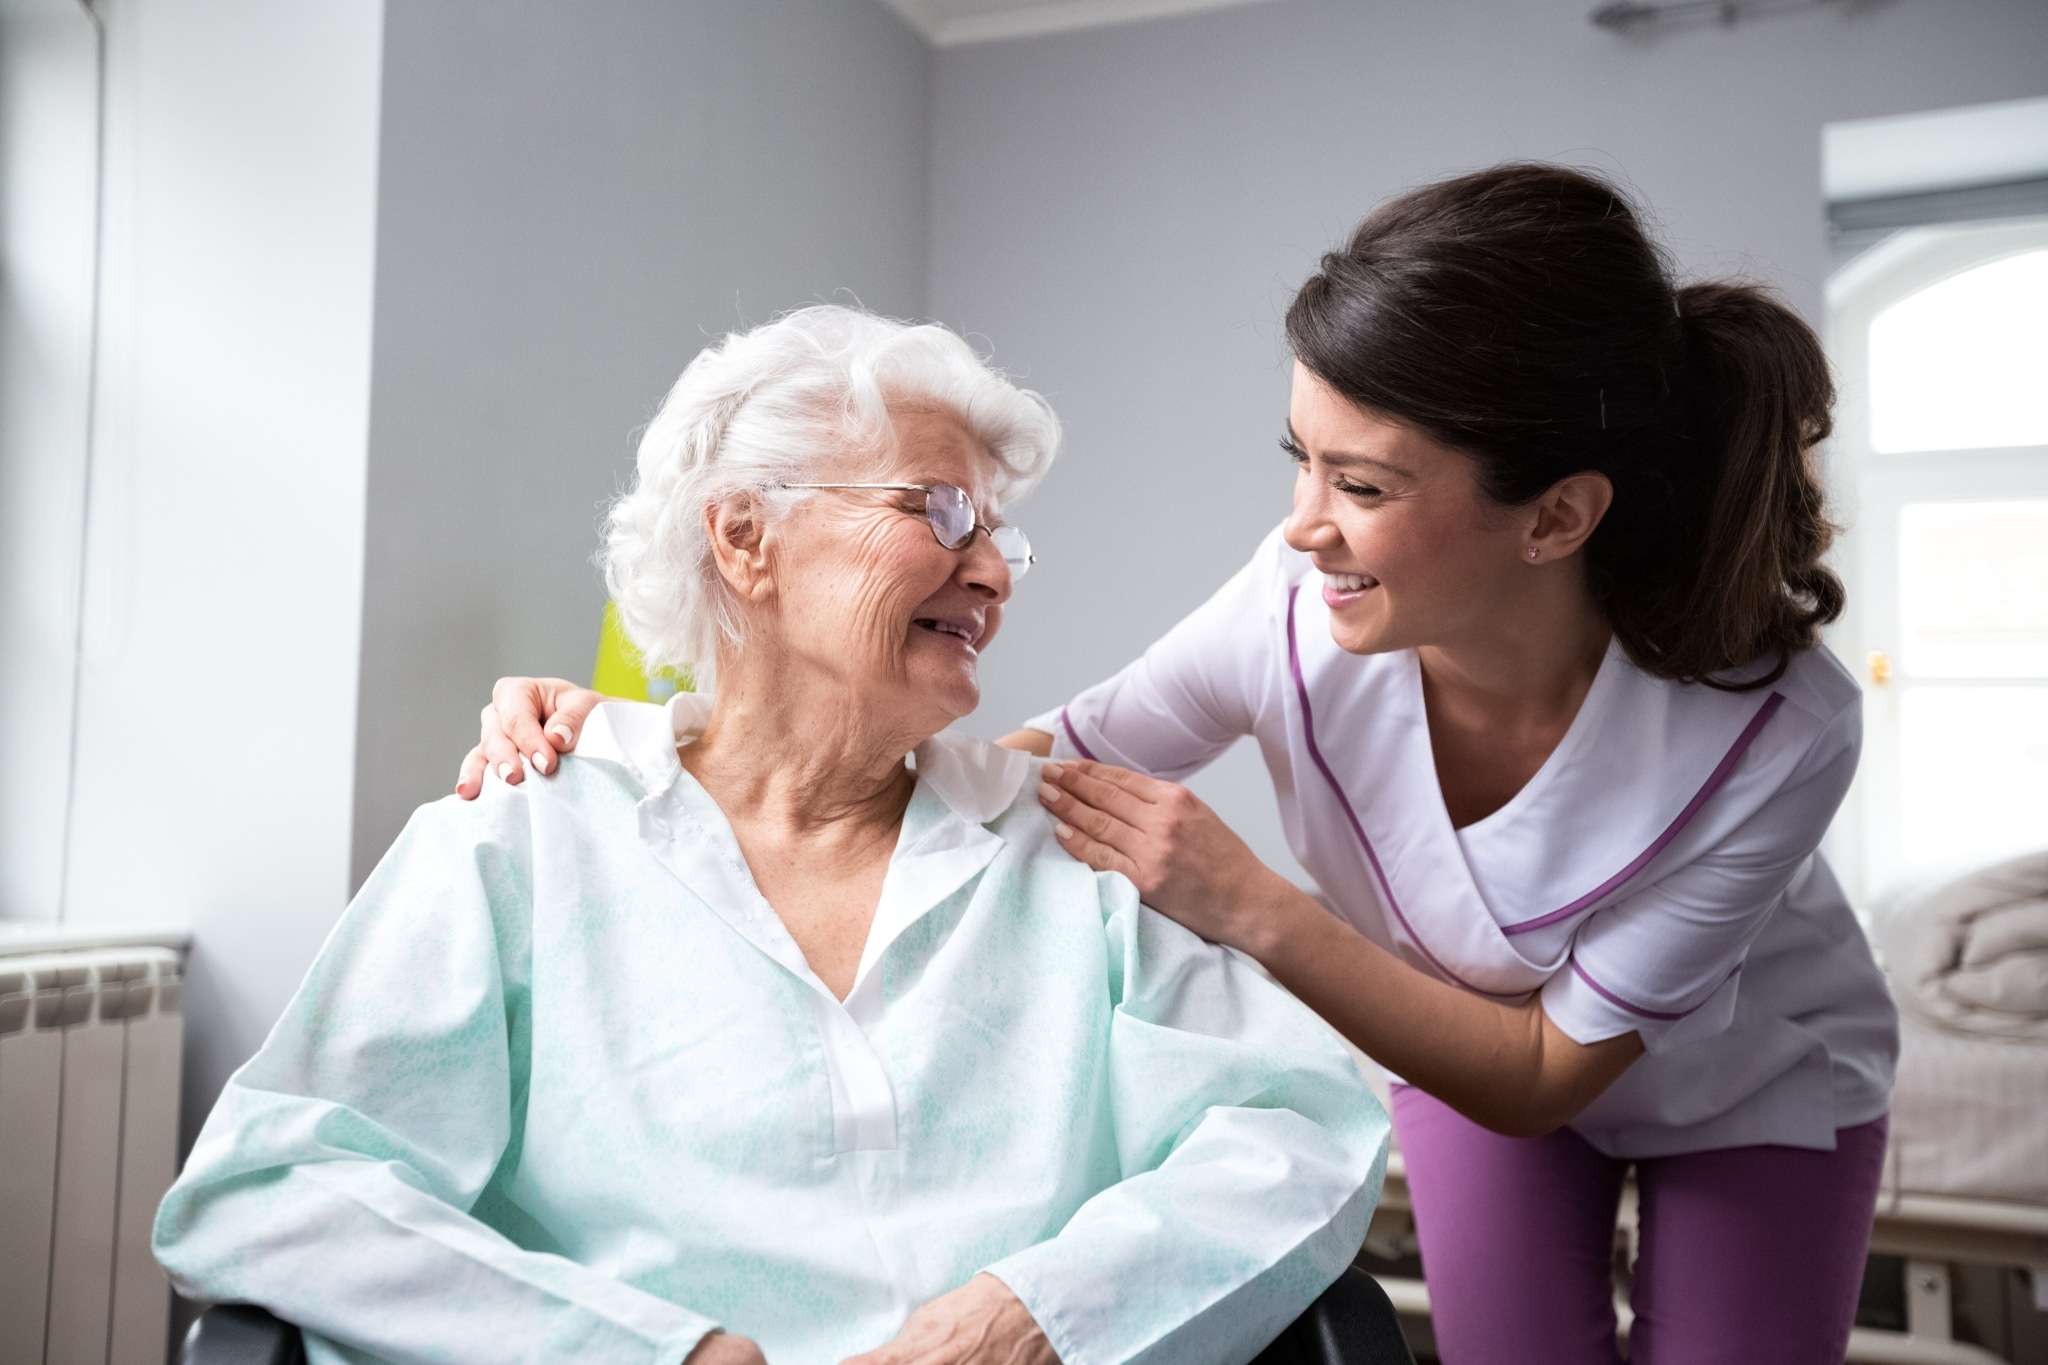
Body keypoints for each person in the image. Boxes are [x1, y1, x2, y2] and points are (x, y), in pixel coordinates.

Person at [473, 166, 1900, 1364]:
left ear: (1553, 519)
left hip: (1742, 1084)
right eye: (1302, 459)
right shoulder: (1290, 611)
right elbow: (1029, 771)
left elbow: (1539, 1073)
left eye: (1364, 486)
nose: (1301, 527)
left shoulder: (1774, 730)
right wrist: (655, 744)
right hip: (1453, 1058)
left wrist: (1250, 901)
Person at [155, 306, 1390, 1365]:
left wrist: (1026, 1322)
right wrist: (653, 1353)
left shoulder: (1072, 851)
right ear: (744, 538)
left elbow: (1300, 1134)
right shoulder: (518, 842)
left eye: (999, 536)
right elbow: (277, 1187)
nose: (995, 574)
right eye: (941, 510)